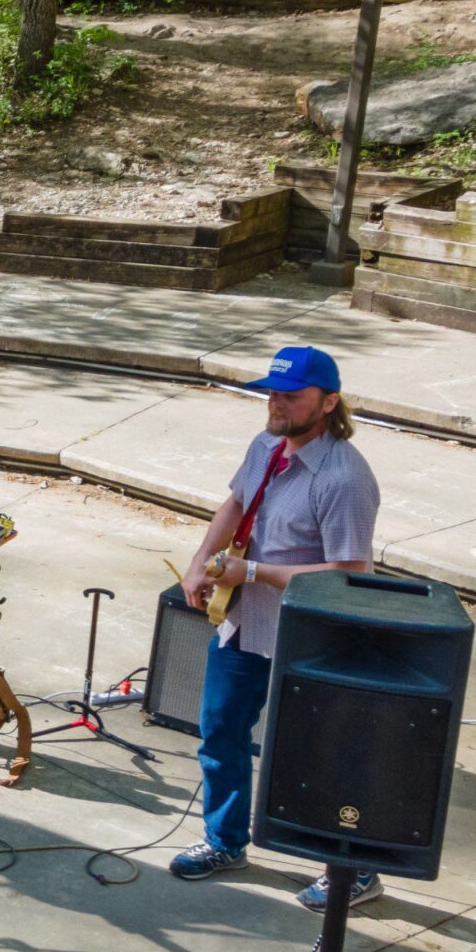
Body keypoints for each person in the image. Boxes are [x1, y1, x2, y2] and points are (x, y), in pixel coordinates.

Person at [171, 345, 382, 909]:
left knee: (314, 754)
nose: (276, 403)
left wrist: (255, 571)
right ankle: (224, 841)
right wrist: (200, 561)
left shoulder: (344, 480)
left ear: (329, 401)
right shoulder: (266, 444)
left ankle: (351, 867)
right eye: (272, 392)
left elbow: (348, 574)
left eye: (291, 395)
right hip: (243, 623)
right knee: (220, 731)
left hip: (307, 637)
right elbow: (235, 505)